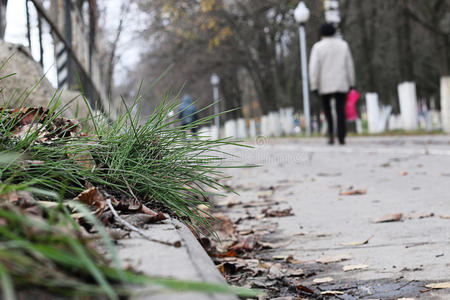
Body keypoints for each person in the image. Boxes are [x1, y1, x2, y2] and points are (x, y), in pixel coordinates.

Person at [309, 23, 355, 145]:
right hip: (341, 82)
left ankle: (330, 133)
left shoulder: (318, 47)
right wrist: (351, 82)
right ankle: (341, 135)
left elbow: (314, 68)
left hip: (324, 84)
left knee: (327, 110)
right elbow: (349, 65)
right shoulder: (343, 45)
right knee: (341, 110)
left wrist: (314, 85)